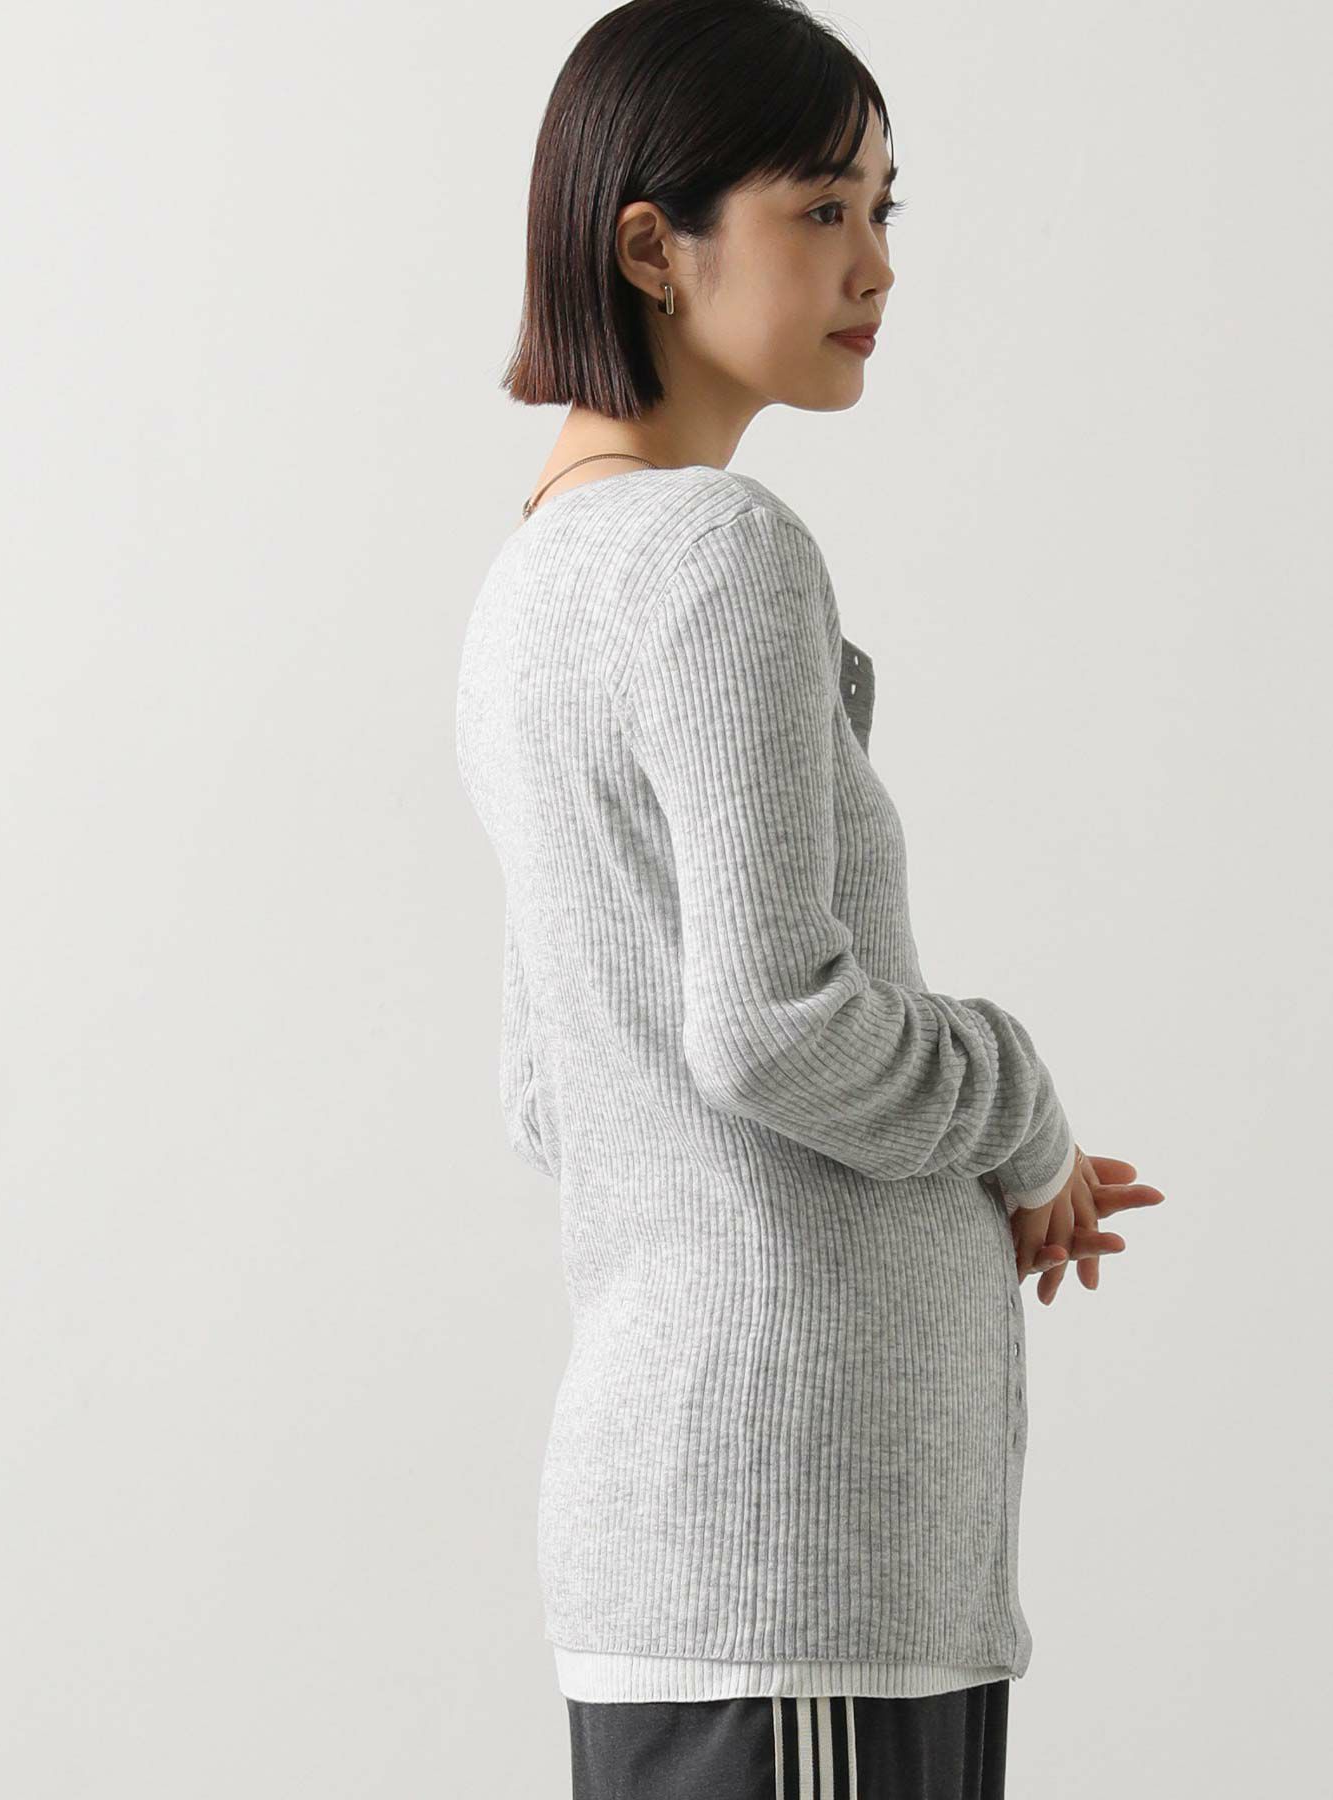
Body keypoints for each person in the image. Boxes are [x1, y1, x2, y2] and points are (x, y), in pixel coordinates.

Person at [454, 3, 1164, 1794]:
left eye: (884, 209)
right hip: (798, 1562)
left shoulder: (529, 590)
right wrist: (1020, 1107)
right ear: (652, 247)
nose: (876, 265)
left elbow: (552, 1092)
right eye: (822, 210)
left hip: (702, 1551)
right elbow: (773, 1029)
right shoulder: (716, 553)